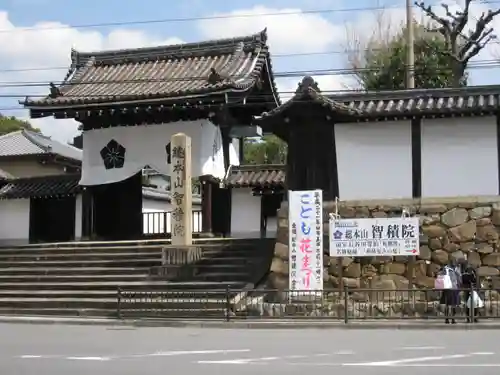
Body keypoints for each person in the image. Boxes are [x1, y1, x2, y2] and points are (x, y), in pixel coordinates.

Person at [438, 259, 462, 324]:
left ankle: (450, 319)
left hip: (452, 288)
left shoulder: (455, 269)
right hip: (450, 288)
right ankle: (449, 319)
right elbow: (459, 279)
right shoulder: (447, 269)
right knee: (450, 304)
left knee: (451, 304)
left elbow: (459, 279)